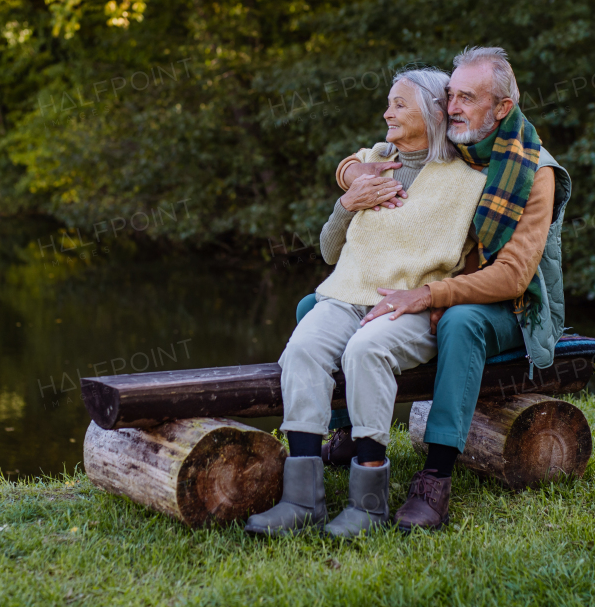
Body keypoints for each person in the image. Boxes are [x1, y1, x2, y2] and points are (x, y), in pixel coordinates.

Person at [301, 45, 572, 531]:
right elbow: (383, 151)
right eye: (451, 95)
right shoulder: (460, 144)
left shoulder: (533, 171)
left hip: (513, 305)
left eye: (467, 98)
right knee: (315, 304)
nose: (452, 107)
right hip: (449, 286)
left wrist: (432, 294)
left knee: (461, 322)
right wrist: (355, 172)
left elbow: (512, 275)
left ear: (501, 108)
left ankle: (435, 478)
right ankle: (344, 431)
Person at [244, 68, 488, 538]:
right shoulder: (375, 158)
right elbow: (329, 251)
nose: (386, 112)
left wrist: (443, 297)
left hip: (409, 305)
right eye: (388, 103)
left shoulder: (467, 181)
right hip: (346, 295)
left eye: (399, 104)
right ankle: (301, 500)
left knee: (366, 351)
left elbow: (483, 256)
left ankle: (368, 503)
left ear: (436, 111)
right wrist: (348, 200)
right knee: (303, 349)